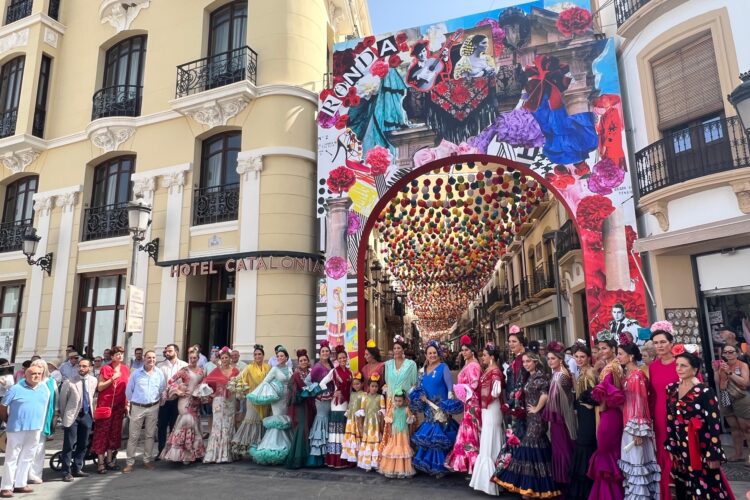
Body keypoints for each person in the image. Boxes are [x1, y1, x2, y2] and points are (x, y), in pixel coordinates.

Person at [666, 347, 731, 499]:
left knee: (706, 483)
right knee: (684, 483)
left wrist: (714, 453)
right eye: (677, 365)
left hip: (701, 444)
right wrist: (671, 444)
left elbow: (714, 424)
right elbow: (669, 418)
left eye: (684, 365)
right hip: (680, 443)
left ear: (695, 369)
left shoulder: (705, 392)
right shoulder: (671, 389)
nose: (679, 369)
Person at [493, 351, 560, 498]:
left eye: (528, 361)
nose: (525, 364)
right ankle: (532, 488)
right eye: (524, 362)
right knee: (535, 448)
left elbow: (545, 394)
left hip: (537, 418)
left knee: (530, 447)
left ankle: (531, 490)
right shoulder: (528, 376)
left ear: (535, 361)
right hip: (529, 418)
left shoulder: (541, 376)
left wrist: (536, 408)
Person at [616, 342, 660, 498]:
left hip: (635, 427)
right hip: (628, 423)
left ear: (631, 356)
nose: (618, 357)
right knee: (633, 463)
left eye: (620, 353)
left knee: (638, 462)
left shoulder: (637, 376)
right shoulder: (628, 375)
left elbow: (641, 403)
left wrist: (639, 431)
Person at [410, 341, 461, 477]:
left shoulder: (443, 367)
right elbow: (419, 386)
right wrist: (418, 394)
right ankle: (430, 465)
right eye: (429, 353)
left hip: (440, 406)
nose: (432, 355)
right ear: (426, 355)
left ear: (438, 354)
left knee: (440, 434)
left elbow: (450, 386)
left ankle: (441, 466)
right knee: (430, 436)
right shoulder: (422, 371)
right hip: (428, 406)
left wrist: (450, 398)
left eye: (434, 353)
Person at [0, 365, 49, 497]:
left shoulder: (44, 388)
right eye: (33, 374)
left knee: (27, 457)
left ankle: (20, 484)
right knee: (12, 457)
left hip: (35, 428)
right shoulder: (15, 388)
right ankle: (6, 486)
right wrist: (6, 419)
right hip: (16, 428)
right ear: (25, 375)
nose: (37, 376)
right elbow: (3, 406)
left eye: (39, 373)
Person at [587, 332, 625, 500]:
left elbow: (607, 394)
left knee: (605, 450)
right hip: (612, 413)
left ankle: (608, 494)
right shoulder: (611, 366)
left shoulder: (610, 368)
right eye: (600, 348)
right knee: (609, 451)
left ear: (613, 349)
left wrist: (598, 408)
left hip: (609, 414)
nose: (602, 351)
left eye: (605, 348)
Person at [647, 321, 680, 499]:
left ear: (671, 342)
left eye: (662, 342)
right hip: (660, 414)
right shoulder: (652, 367)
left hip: (681, 413)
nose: (659, 346)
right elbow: (652, 394)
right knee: (663, 450)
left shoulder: (682, 363)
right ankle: (666, 492)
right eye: (656, 343)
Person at [469, 342, 505, 496]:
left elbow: (496, 392)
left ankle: (493, 480)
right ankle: (490, 480)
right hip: (487, 408)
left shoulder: (495, 371)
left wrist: (486, 395)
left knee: (491, 439)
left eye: (484, 355)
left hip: (492, 408)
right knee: (488, 439)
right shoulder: (489, 370)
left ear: (492, 357)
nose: (482, 357)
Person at [160, 348, 206, 464]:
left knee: (195, 425)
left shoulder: (202, 371)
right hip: (184, 401)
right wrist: (178, 391)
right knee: (186, 423)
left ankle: (194, 454)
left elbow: (203, 385)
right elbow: (170, 381)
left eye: (195, 358)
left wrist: (202, 393)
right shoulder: (184, 370)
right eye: (190, 358)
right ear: (188, 359)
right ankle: (183, 455)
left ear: (198, 359)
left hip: (196, 401)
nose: (192, 360)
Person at [123, 350, 166, 473]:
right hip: (138, 407)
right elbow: (129, 391)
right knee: (134, 436)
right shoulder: (136, 373)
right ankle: (129, 463)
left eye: (153, 358)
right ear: (144, 359)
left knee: (150, 435)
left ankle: (147, 460)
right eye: (148, 357)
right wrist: (133, 403)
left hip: (153, 407)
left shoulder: (159, 373)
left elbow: (162, 389)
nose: (151, 360)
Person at [248, 347, 292, 464]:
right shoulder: (274, 369)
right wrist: (273, 391)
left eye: (282, 356)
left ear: (286, 357)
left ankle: (287, 446)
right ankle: (273, 447)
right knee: (278, 421)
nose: (280, 358)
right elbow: (265, 382)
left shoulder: (290, 369)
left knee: (286, 421)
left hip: (287, 399)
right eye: (278, 356)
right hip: (277, 399)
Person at [445, 335, 482, 474]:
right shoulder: (468, 363)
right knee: (468, 434)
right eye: (462, 350)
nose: (464, 352)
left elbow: (474, 384)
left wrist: (462, 389)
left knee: (470, 434)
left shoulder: (473, 365)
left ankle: (473, 465)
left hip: (472, 404)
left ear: (472, 351)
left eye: (466, 350)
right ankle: (470, 466)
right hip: (469, 403)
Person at [543, 341, 576, 493]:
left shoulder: (559, 376)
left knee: (562, 450)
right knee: (564, 449)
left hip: (560, 419)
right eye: (548, 359)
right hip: (562, 418)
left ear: (560, 359)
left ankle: (565, 485)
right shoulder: (560, 373)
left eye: (553, 359)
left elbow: (555, 401)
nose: (550, 361)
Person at [567, 345, 598, 500]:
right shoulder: (581, 372)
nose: (579, 360)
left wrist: (590, 403)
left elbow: (596, 395)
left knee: (586, 445)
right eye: (576, 357)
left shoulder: (591, 372)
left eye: (582, 357)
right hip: (582, 413)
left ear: (588, 358)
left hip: (588, 415)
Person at [92, 345, 129, 474]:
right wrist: (112, 378)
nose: (120, 356)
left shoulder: (125, 369)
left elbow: (126, 388)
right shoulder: (106, 368)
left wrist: (126, 404)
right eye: (117, 354)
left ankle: (110, 460)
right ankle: (101, 462)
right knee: (102, 433)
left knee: (114, 434)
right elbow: (100, 387)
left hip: (119, 406)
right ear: (112, 356)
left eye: (121, 354)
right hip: (106, 405)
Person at [58, 357, 96, 482]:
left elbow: (91, 397)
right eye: (80, 366)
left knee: (83, 443)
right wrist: (64, 417)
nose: (81, 368)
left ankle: (77, 468)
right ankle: (66, 471)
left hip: (86, 415)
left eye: (84, 366)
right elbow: (63, 401)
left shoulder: (93, 381)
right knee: (69, 444)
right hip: (72, 416)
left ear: (90, 368)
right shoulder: (69, 382)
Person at [379, 336, 418, 457]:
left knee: (406, 428)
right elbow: (386, 380)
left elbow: (414, 382)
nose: (396, 350)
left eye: (399, 348)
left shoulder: (411, 364)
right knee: (392, 428)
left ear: (403, 350)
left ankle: (407, 455)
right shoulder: (388, 364)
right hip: (392, 400)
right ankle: (392, 455)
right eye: (394, 348)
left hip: (406, 401)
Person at [231, 344, 270, 455]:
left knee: (262, 421)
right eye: (255, 354)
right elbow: (239, 379)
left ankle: (259, 446)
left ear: (263, 355)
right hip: (252, 399)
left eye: (259, 354)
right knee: (251, 420)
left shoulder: (268, 367)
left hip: (265, 399)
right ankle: (245, 446)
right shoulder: (249, 368)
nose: (257, 356)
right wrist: (244, 390)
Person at [203, 347, 239, 463]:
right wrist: (211, 394)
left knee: (229, 425)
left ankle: (229, 453)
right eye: (222, 358)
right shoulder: (216, 371)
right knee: (218, 425)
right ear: (220, 359)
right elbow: (206, 382)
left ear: (230, 358)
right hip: (218, 401)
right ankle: (215, 454)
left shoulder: (235, 371)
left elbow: (240, 384)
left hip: (231, 400)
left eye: (226, 357)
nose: (224, 359)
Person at [715, 343, 750, 462]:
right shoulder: (722, 366)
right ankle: (738, 453)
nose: (728, 354)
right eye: (726, 352)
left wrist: (729, 372)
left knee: (746, 428)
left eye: (731, 352)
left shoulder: (742, 365)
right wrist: (716, 370)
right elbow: (717, 382)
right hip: (725, 396)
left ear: (737, 353)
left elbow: (745, 383)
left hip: (740, 397)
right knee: (734, 427)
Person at [320, 345, 353, 468]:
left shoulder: (350, 372)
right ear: (337, 360)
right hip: (337, 404)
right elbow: (322, 383)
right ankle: (336, 460)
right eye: (340, 358)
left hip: (347, 403)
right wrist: (332, 393)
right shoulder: (333, 371)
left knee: (344, 430)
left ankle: (344, 459)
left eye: (344, 357)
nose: (343, 360)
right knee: (337, 432)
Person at [28, 360, 58, 485]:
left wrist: (55, 417)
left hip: (44, 418)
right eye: (36, 366)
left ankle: (35, 474)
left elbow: (56, 401)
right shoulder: (27, 382)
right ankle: (23, 474)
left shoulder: (51, 382)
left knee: (39, 447)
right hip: (29, 418)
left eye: (41, 367)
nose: (38, 369)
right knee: (28, 447)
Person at [285, 349, 315, 469]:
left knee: (309, 428)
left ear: (308, 361)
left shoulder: (312, 373)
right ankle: (297, 458)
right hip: (300, 405)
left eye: (305, 360)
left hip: (311, 404)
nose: (303, 362)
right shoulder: (296, 375)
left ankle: (307, 458)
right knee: (302, 428)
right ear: (298, 362)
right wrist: (301, 394)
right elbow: (291, 390)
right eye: (301, 360)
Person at [157, 344, 188, 456]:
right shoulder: (160, 366)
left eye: (170, 351)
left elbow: (186, 382)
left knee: (175, 425)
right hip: (164, 400)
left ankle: (172, 451)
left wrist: (180, 390)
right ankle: (160, 450)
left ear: (176, 352)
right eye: (166, 351)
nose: (167, 353)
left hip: (178, 400)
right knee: (162, 426)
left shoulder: (184, 365)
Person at [378, 388, 416, 479]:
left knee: (403, 449)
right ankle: (393, 469)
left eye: (400, 401)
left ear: (404, 400)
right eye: (396, 401)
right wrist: (390, 432)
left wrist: (410, 433)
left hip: (403, 433)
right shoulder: (392, 410)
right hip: (395, 433)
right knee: (394, 449)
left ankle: (403, 470)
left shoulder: (406, 410)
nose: (398, 402)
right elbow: (389, 423)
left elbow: (410, 422)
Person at [307, 340, 333, 467]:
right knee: (321, 420)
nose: (325, 353)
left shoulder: (331, 365)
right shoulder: (317, 367)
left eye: (327, 351)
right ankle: (317, 456)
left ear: (329, 353)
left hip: (331, 398)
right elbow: (308, 381)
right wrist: (317, 390)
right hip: (321, 400)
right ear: (319, 353)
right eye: (323, 351)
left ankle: (327, 454)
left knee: (327, 422)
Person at [504, 326, 529, 441]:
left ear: (521, 343)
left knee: (518, 435)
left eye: (514, 341)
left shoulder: (523, 359)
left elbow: (521, 383)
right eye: (509, 341)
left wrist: (513, 404)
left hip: (519, 403)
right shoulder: (517, 358)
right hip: (513, 401)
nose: (511, 344)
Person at [356, 374, 384, 471]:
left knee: (376, 442)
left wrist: (381, 426)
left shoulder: (380, 397)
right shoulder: (365, 397)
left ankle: (376, 463)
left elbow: (382, 413)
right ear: (368, 386)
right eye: (372, 386)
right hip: (367, 423)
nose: (374, 388)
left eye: (376, 386)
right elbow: (361, 413)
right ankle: (367, 463)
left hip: (376, 423)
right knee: (367, 442)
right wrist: (360, 425)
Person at [341, 372, 365, 464]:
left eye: (358, 383)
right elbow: (350, 406)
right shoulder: (352, 394)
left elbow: (363, 408)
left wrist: (361, 419)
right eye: (354, 384)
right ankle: (352, 457)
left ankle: (360, 458)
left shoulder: (364, 394)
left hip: (358, 420)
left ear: (362, 384)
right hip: (351, 419)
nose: (356, 386)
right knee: (351, 437)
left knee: (358, 437)